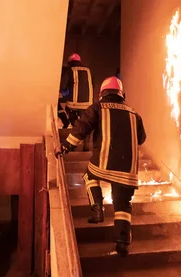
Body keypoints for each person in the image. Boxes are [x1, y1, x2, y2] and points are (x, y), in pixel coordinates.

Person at [57, 76, 146, 257]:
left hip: (104, 162)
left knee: (89, 176)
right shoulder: (134, 113)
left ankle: (97, 209)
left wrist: (65, 147)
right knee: (123, 204)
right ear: (122, 94)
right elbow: (142, 138)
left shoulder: (98, 107)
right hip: (128, 169)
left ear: (102, 93)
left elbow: (82, 128)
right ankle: (122, 243)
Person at [59, 53, 94, 127]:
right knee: (84, 122)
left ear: (70, 62)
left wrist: (62, 93)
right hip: (87, 103)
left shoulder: (69, 70)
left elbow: (63, 86)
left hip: (73, 104)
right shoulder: (88, 70)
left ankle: (71, 125)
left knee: (72, 118)